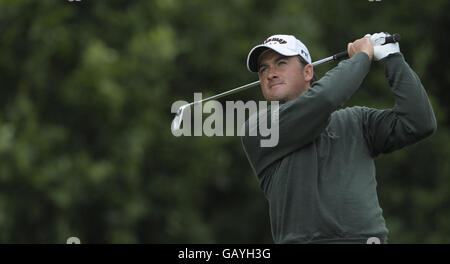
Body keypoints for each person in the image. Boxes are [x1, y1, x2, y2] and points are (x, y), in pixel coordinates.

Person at [241, 33, 437, 244]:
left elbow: (419, 122)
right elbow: (324, 98)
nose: (270, 74)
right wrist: (361, 58)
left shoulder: (356, 120)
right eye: (264, 69)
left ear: (308, 72)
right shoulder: (259, 128)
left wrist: (392, 59)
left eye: (280, 63)